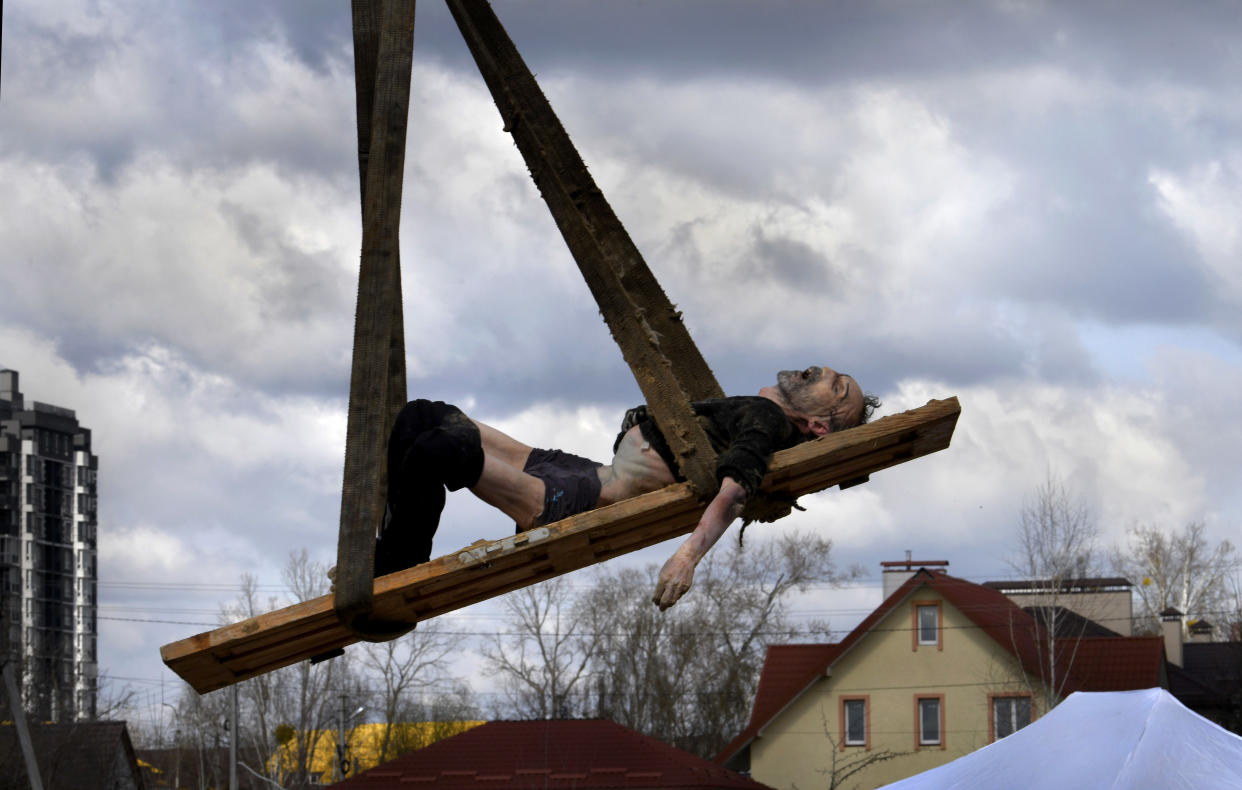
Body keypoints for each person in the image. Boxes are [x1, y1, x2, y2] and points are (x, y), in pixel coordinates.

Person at [377, 365, 878, 610]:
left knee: (440, 449)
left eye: (836, 387)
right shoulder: (759, 410)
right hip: (581, 472)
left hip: (577, 501)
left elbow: (736, 486)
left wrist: (688, 557)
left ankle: (397, 569)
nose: (823, 371)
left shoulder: (767, 422)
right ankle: (391, 557)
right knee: (423, 417)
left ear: (817, 426)